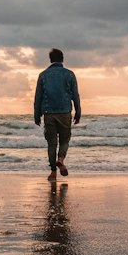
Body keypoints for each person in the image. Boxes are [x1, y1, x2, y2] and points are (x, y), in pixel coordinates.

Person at [33, 48, 81, 183]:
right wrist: (78, 112)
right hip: (65, 112)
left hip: (48, 113)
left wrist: (37, 115)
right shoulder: (70, 74)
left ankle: (53, 172)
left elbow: (38, 97)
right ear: (62, 59)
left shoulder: (43, 75)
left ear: (50, 60)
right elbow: (75, 95)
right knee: (65, 140)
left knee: (51, 144)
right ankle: (61, 160)